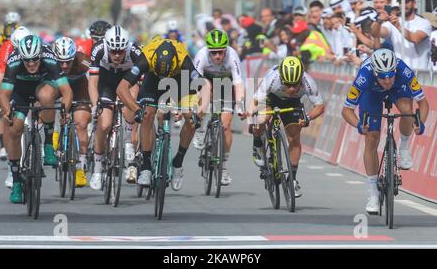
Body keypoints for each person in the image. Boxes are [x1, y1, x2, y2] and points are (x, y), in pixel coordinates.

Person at [341, 48, 429, 214]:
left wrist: (421, 124)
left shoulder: (404, 71)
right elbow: (346, 111)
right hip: (371, 94)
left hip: (398, 90)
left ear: (395, 69)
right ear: (375, 72)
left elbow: (423, 103)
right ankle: (373, 193)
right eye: (382, 76)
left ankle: (403, 146)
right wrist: (360, 125)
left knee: (407, 109)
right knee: (371, 138)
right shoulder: (363, 77)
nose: (387, 80)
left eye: (390, 75)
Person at [116, 36, 209, 191]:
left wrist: (200, 112)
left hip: (179, 79)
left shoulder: (182, 58)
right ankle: (146, 166)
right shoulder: (146, 57)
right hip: (152, 80)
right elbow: (121, 88)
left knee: (191, 119)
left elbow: (204, 86)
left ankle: (177, 162)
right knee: (146, 115)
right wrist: (136, 109)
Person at [0, 35, 73, 203]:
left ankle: (48, 145)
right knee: (14, 129)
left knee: (47, 97)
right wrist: (6, 111)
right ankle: (17, 180)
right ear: (22, 57)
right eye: (27, 60)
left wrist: (65, 112)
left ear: (40, 55)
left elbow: (66, 90)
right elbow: (4, 94)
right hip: (21, 91)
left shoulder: (49, 58)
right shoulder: (14, 61)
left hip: (43, 84)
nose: (31, 63)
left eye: (34, 59)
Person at [248, 56, 324, 197]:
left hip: (292, 103)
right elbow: (255, 100)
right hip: (271, 98)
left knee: (294, 137)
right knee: (262, 118)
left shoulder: (308, 81)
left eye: (295, 85)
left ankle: (292, 180)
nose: (291, 88)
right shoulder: (272, 78)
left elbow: (319, 106)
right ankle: (258, 144)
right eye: (287, 84)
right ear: (281, 78)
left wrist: (308, 117)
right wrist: (252, 117)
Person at [88, 25, 141, 190]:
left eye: (120, 52)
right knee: (104, 124)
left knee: (130, 107)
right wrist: (96, 106)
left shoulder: (135, 51)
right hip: (106, 83)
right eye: (113, 51)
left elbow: (139, 82)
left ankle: (129, 145)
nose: (117, 55)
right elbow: (93, 82)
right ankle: (97, 169)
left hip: (127, 81)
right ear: (107, 46)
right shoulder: (98, 50)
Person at [192, 29, 245, 186]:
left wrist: (241, 106)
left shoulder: (232, 56)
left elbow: (239, 83)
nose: (217, 56)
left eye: (220, 53)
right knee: (204, 95)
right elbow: (194, 82)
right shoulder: (201, 55)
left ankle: (223, 166)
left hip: (227, 84)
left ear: (225, 50)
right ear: (208, 50)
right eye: (213, 53)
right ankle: (200, 130)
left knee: (226, 125)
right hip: (206, 80)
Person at [0, 26, 31, 188]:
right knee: (10, 122)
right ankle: (11, 166)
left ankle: (42, 144)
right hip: (13, 85)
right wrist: (0, 107)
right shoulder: (6, 50)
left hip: (33, 82)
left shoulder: (36, 47)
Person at [53, 37, 91, 188]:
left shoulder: (83, 61)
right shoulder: (50, 61)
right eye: (60, 62)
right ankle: (54, 134)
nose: (64, 65)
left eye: (68, 61)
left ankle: (80, 166)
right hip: (58, 88)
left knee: (81, 124)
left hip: (80, 89)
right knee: (44, 104)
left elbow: (96, 79)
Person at [372, 0, 432, 70]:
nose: (403, 5)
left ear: (414, 3)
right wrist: (379, 21)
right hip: (400, 72)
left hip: (420, 72)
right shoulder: (393, 22)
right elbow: (376, 33)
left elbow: (416, 38)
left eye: (406, 2)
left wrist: (398, 26)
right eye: (400, 2)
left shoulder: (424, 23)